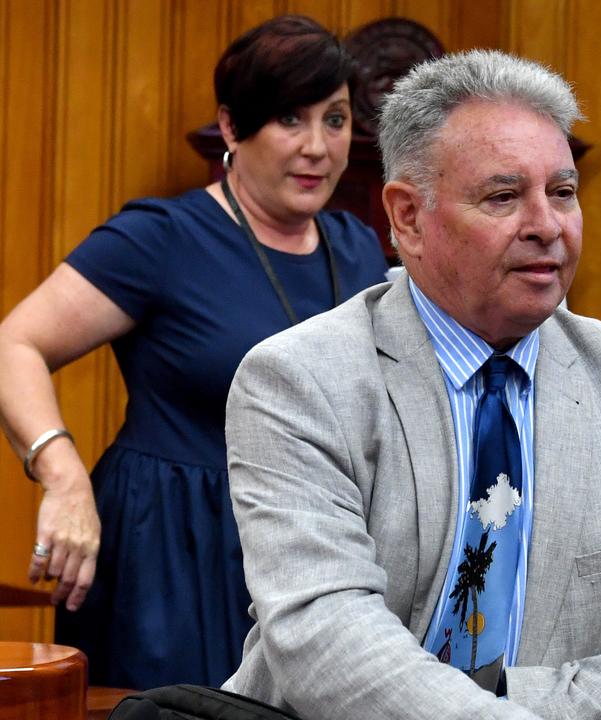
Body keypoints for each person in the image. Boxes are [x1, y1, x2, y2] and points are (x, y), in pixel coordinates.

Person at [221, 49, 601, 718]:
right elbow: (328, 642)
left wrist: (519, 706)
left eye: (562, 192)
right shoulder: (300, 382)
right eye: (504, 196)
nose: (547, 226)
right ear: (408, 217)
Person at [0, 15, 388, 689]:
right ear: (234, 129)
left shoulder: (359, 249)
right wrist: (63, 478)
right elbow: (14, 344)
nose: (319, 148)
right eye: (290, 120)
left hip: (310, 549)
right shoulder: (162, 238)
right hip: (169, 553)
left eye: (336, 119)